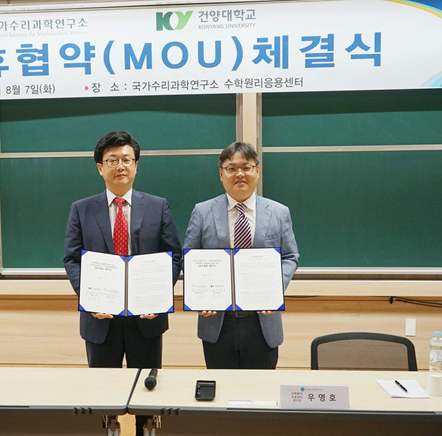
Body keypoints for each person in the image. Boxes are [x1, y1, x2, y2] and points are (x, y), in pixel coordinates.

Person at [64, 130, 182, 434]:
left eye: (127, 159)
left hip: (147, 319)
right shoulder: (81, 209)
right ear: (100, 167)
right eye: (112, 160)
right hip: (100, 320)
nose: (120, 166)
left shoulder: (158, 206)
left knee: (147, 396)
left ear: (136, 165)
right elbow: (72, 259)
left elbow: (174, 256)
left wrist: (158, 297)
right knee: (104, 398)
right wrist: (90, 300)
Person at [183, 141, 299, 369]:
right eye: (232, 168)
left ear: (257, 170)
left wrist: (274, 289)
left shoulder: (279, 212)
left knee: (261, 387)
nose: (240, 174)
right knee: (221, 385)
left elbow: (290, 257)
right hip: (217, 321)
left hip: (263, 321)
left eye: (246, 167)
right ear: (221, 174)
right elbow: (189, 258)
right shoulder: (202, 211)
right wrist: (200, 295)